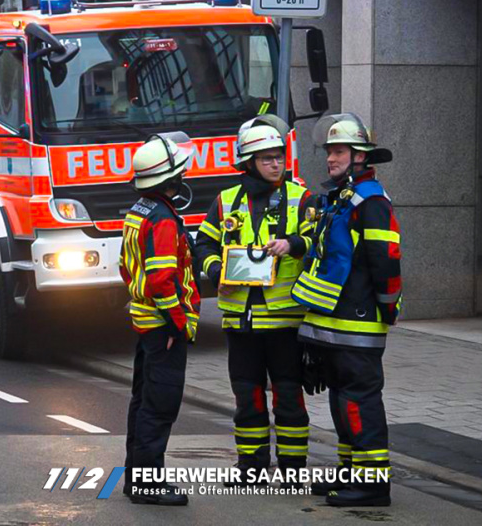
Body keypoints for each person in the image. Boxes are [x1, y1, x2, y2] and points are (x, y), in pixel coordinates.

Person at [193, 115, 314, 486]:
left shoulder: (301, 197)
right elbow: (204, 245)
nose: (276, 163)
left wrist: (291, 244)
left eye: (279, 156)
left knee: (289, 395)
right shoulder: (226, 201)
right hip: (241, 321)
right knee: (247, 396)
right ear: (248, 163)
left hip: (283, 321)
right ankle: (251, 468)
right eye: (266, 158)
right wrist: (215, 272)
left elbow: (318, 242)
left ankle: (293, 470)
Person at [291, 113, 402, 508]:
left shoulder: (371, 202)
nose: (330, 158)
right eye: (330, 151)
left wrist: (387, 309)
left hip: (358, 323)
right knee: (342, 400)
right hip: (333, 326)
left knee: (359, 401)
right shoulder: (341, 199)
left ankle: (372, 484)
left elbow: (386, 260)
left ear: (360, 157)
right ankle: (352, 470)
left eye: (339, 151)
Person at [120, 132, 200, 507]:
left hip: (144, 322)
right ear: (169, 179)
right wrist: (177, 323)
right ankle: (149, 484)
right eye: (180, 170)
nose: (185, 174)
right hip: (162, 327)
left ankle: (135, 479)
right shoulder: (164, 219)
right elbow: (161, 279)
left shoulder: (138, 212)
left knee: (142, 401)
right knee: (160, 404)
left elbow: (126, 267)